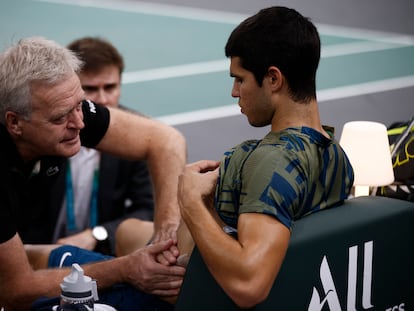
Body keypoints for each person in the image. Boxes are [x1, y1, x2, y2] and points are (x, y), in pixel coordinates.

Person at [117, 6, 355, 308]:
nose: (233, 92)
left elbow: (250, 284)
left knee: (87, 253)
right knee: (128, 231)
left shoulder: (272, 162)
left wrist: (190, 202)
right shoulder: (336, 155)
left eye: (240, 79)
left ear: (273, 79)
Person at [0, 36, 186, 310]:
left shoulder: (64, 109)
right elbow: (15, 290)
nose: (79, 123)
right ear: (15, 122)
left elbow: (166, 140)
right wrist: (124, 268)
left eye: (79, 104)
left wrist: (167, 229)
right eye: (60, 118)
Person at [20, 37, 155, 255]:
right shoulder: (43, 130)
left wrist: (97, 234)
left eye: (110, 87)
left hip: (103, 253)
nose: (102, 100)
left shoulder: (142, 134)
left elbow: (148, 209)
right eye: (90, 89)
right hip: (37, 252)